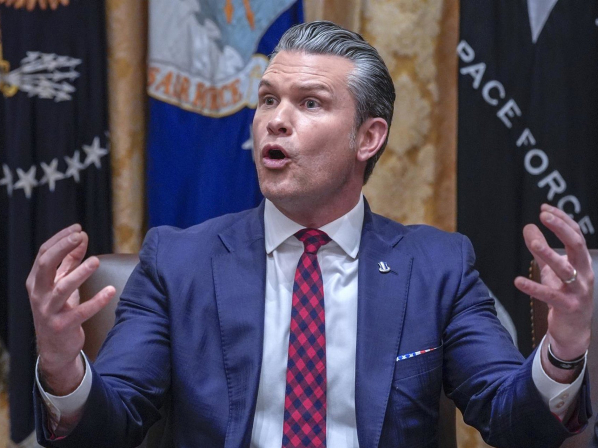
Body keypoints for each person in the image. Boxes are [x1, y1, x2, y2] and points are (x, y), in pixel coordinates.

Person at [27, 21, 594, 448]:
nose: (276, 119)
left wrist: (564, 353)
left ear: (368, 138)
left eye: (310, 103)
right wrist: (62, 368)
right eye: (268, 99)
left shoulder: (437, 266)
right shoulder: (178, 262)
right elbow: (110, 428)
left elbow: (513, 423)